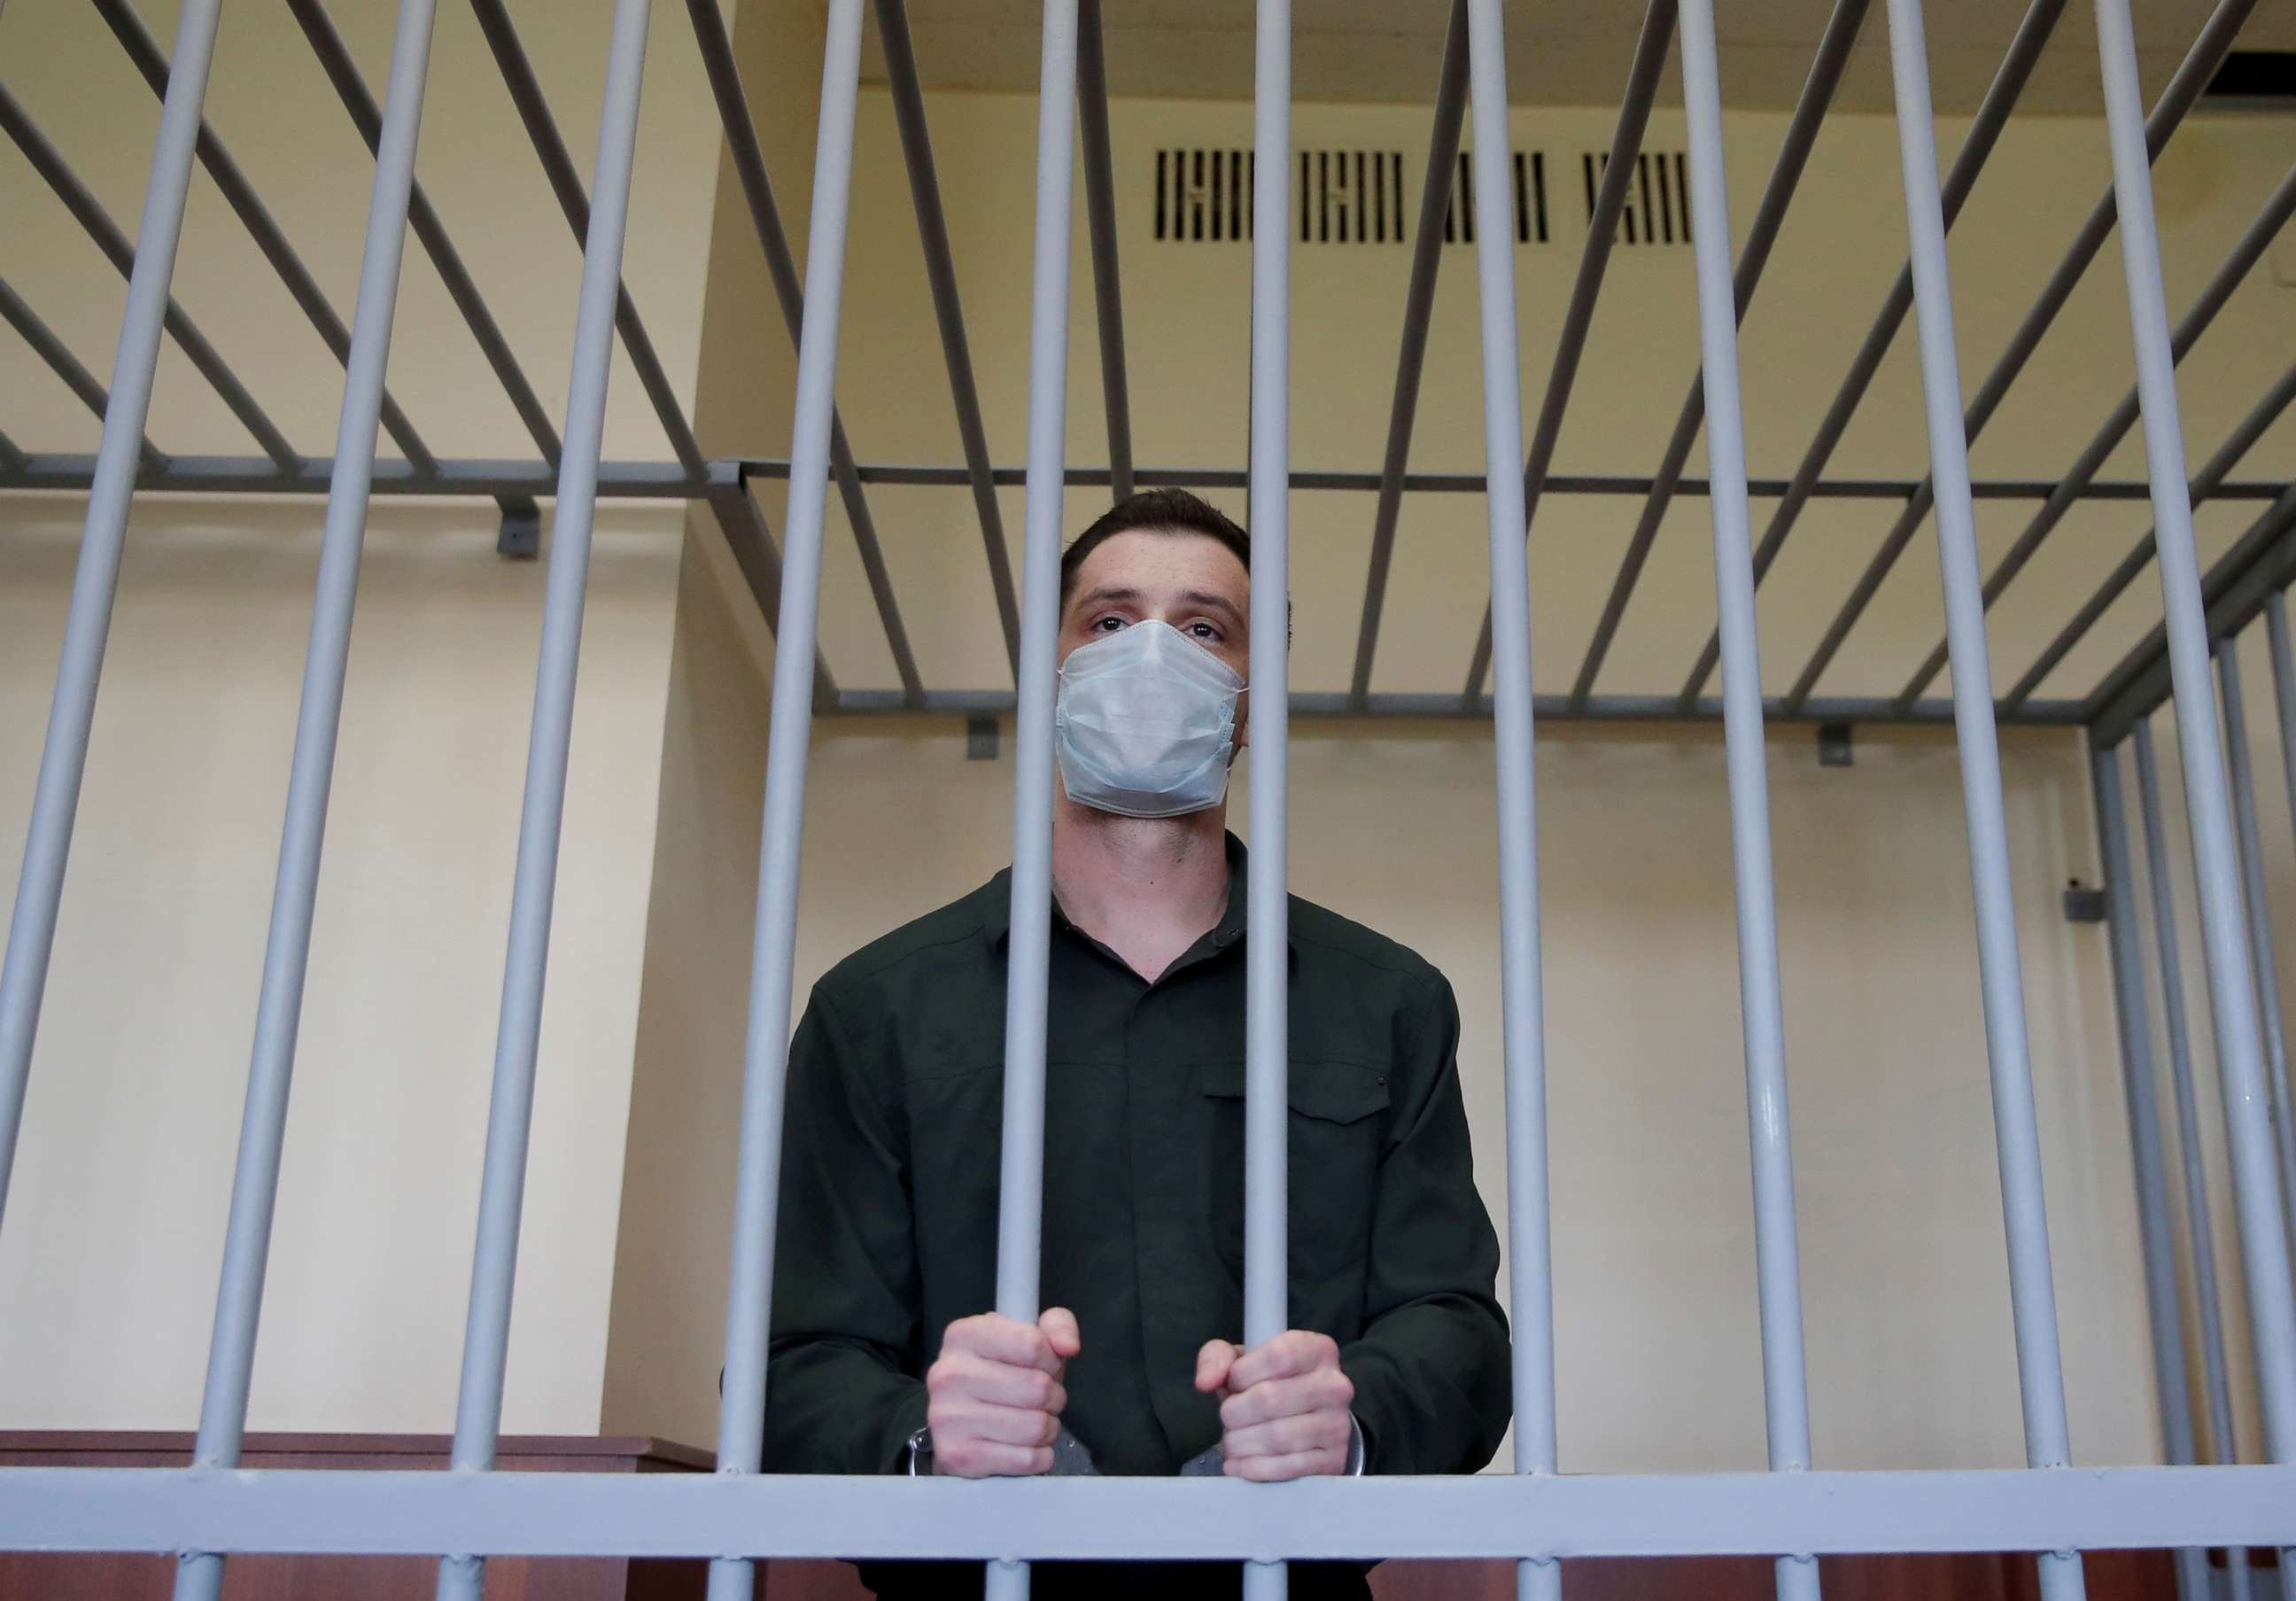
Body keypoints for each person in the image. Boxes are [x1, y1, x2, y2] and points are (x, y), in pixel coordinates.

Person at [763, 488, 1510, 1599]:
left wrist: (1353, 1413)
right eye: (1110, 622)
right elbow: (790, 1363)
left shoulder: (1388, 1003)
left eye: (1204, 629)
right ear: (1052, 667)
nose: (1153, 655)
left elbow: (1456, 1327)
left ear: (1251, 701)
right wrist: (920, 1432)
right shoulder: (876, 1009)